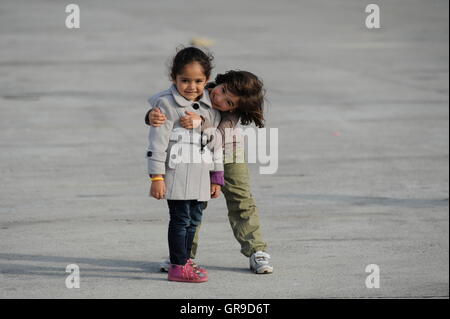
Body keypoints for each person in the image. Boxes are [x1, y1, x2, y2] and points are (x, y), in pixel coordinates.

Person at [146, 70, 274, 274]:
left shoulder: (232, 114)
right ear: (220, 82)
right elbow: (171, 107)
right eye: (222, 90)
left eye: (229, 102)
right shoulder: (198, 89)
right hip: (195, 154)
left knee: (241, 200)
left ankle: (256, 250)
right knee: (192, 205)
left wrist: (200, 123)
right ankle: (183, 256)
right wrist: (151, 116)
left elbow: (219, 136)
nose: (219, 98)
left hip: (228, 154)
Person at [146, 46, 224, 283]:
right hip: (176, 175)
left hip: (201, 176)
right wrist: (157, 177)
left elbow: (216, 142)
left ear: (207, 80)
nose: (192, 86)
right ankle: (177, 265)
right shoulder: (165, 106)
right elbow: (157, 144)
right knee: (180, 221)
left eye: (198, 80)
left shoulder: (210, 106)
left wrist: (216, 176)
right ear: (174, 79)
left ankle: (185, 259)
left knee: (195, 220)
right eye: (185, 80)